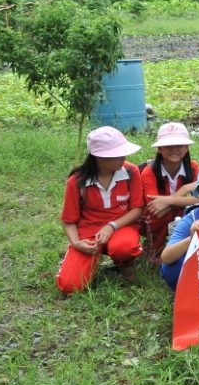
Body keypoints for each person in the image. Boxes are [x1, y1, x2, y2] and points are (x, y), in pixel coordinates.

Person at [57, 126, 144, 295]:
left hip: (121, 227)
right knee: (69, 287)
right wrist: (77, 243)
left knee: (124, 247)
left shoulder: (130, 171)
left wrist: (112, 226)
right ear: (99, 158)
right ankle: (90, 261)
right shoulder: (77, 181)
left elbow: (137, 209)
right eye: (118, 155)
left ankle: (125, 264)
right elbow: (68, 220)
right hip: (89, 234)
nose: (124, 158)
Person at [139, 122, 199, 260]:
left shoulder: (193, 167)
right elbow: (154, 207)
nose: (174, 149)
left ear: (186, 148)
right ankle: (155, 248)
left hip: (177, 213)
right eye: (168, 146)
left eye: (179, 145)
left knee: (196, 212)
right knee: (160, 215)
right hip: (153, 220)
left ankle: (184, 246)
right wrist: (184, 191)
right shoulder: (150, 171)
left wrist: (168, 200)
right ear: (160, 149)